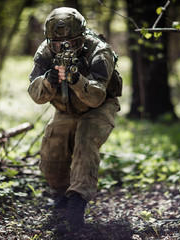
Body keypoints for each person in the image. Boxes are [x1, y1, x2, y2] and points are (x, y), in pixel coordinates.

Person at [27, 7, 122, 233]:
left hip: (98, 107)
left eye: (71, 42)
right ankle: (62, 195)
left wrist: (77, 79)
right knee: (51, 155)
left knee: (85, 141)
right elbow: (35, 94)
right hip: (65, 108)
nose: (63, 48)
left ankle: (77, 204)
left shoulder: (100, 51)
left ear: (82, 36)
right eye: (57, 44)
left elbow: (97, 96)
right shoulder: (45, 52)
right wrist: (48, 82)